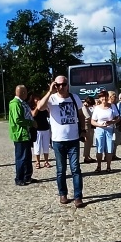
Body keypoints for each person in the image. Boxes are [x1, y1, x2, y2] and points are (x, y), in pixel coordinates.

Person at [37, 76, 85, 207]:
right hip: (58, 141)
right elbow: (40, 107)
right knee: (60, 169)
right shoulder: (52, 98)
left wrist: (83, 130)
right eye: (58, 85)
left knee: (76, 169)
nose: (61, 87)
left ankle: (78, 197)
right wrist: (49, 91)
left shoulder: (74, 97)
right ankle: (63, 193)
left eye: (64, 84)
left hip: (73, 139)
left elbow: (81, 115)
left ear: (67, 85)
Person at [8, 84, 36, 186]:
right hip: (20, 134)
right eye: (26, 92)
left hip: (26, 133)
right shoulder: (15, 104)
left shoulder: (22, 103)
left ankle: (27, 176)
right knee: (21, 157)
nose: (27, 94)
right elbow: (18, 120)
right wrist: (31, 123)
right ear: (23, 92)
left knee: (27, 156)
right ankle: (19, 178)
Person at [91, 89, 118, 173]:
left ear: (107, 97)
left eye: (105, 96)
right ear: (99, 98)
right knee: (99, 149)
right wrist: (99, 125)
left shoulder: (112, 106)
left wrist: (111, 122)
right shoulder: (97, 108)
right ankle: (98, 166)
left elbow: (118, 118)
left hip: (109, 129)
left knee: (109, 148)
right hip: (100, 130)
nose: (104, 98)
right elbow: (93, 121)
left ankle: (108, 166)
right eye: (102, 97)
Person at [30, 93, 52, 168]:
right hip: (37, 129)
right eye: (36, 99)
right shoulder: (32, 107)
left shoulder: (44, 108)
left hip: (45, 128)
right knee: (37, 146)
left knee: (46, 146)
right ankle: (37, 162)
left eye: (39, 98)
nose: (37, 100)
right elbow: (33, 114)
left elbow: (49, 115)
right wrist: (37, 106)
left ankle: (46, 161)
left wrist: (46, 108)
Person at [108, 90, 121, 160]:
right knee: (109, 141)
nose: (116, 98)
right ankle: (108, 155)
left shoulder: (113, 105)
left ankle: (113, 154)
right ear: (110, 97)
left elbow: (117, 115)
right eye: (114, 96)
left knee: (116, 140)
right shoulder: (106, 105)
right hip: (108, 126)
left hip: (115, 125)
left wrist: (116, 119)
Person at [81, 97, 95, 163]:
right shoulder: (83, 107)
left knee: (89, 142)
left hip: (89, 126)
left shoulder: (86, 108)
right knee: (87, 142)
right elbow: (88, 117)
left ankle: (88, 155)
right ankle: (86, 156)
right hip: (86, 126)